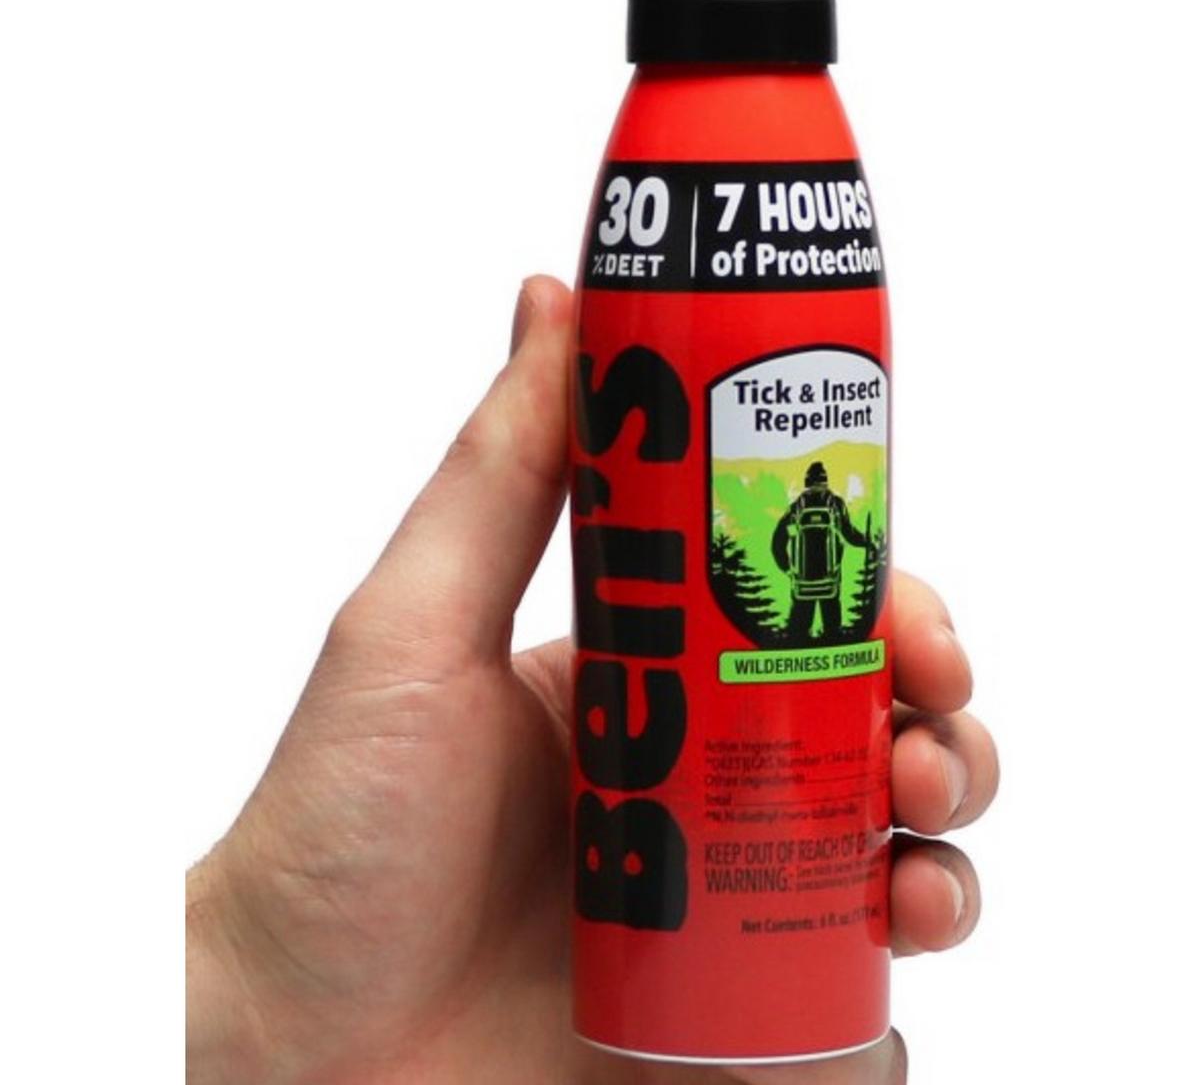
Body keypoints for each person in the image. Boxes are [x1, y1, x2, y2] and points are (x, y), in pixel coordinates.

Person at [186, 276, 1000, 1084]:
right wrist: (249, 982)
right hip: (631, 838)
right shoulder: (811, 504)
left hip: (792, 620)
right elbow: (818, 538)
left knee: (850, 678)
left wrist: (248, 995)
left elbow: (812, 539)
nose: (815, 490)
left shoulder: (807, 508)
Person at [772, 460, 869, 643]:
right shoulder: (835, 504)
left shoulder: (797, 507)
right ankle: (832, 637)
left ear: (807, 482)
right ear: (825, 481)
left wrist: (788, 568)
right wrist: (867, 542)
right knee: (832, 618)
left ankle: (799, 640)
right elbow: (849, 534)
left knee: (800, 623)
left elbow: (778, 541)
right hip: (830, 574)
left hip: (803, 577)